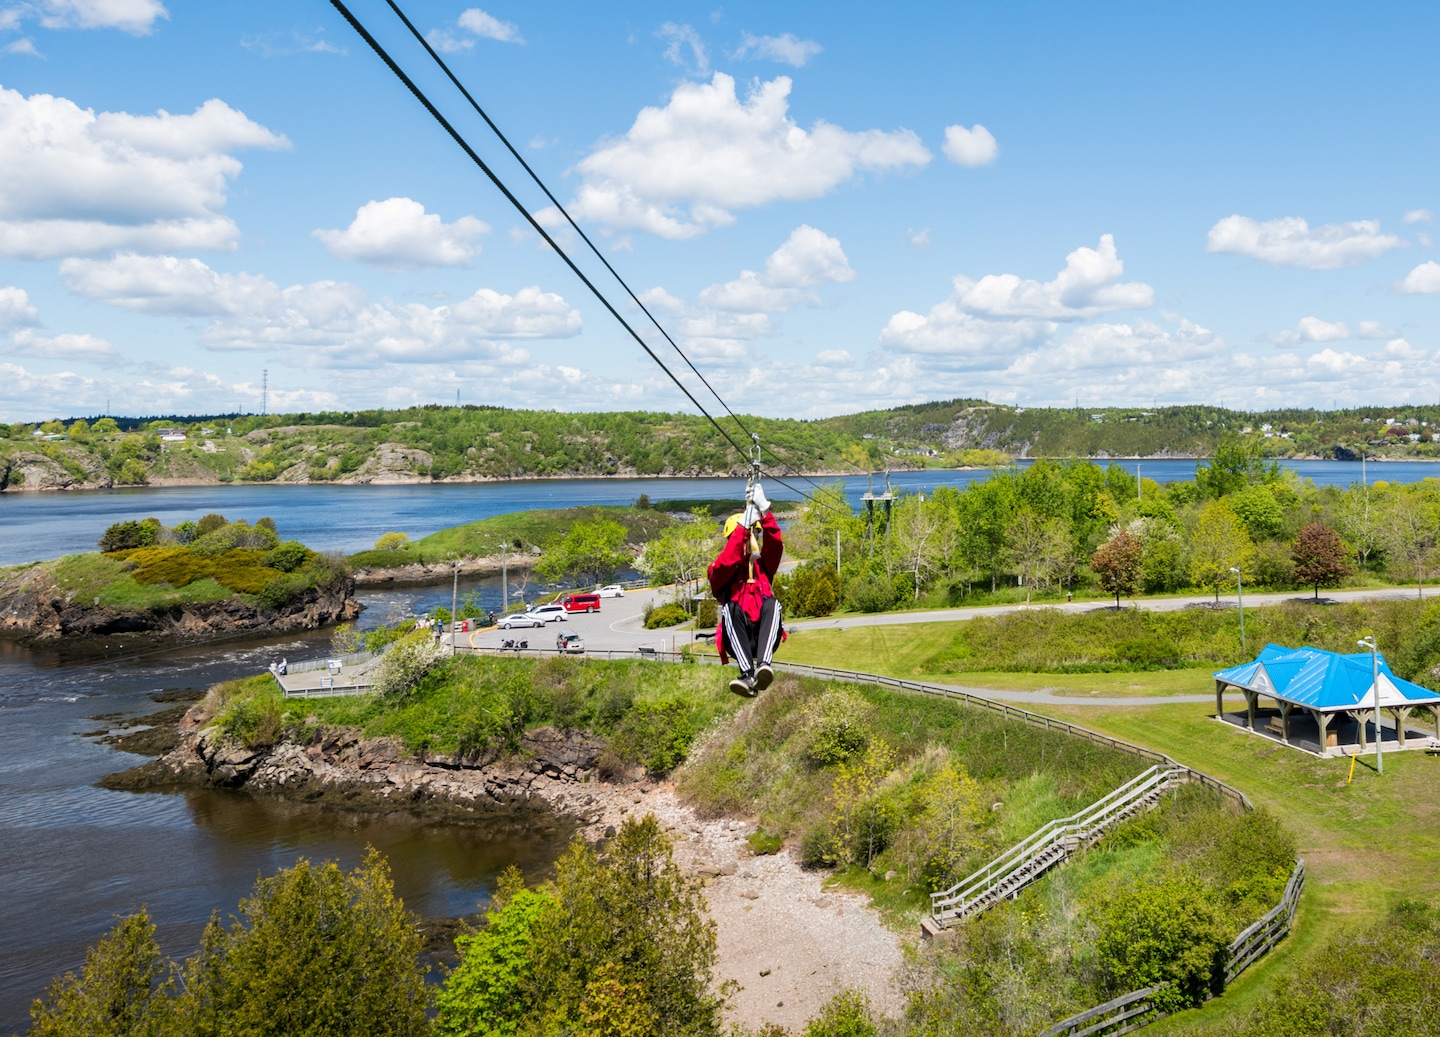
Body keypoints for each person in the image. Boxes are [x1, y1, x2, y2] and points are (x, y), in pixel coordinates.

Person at [707, 481, 784, 698]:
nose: (753, 540)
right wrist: (743, 529)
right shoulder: (717, 571)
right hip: (738, 637)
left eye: (755, 535)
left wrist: (765, 512)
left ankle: (763, 667)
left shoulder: (762, 566)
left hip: (763, 637)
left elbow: (776, 545)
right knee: (730, 609)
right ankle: (747, 673)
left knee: (773, 604)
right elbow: (728, 561)